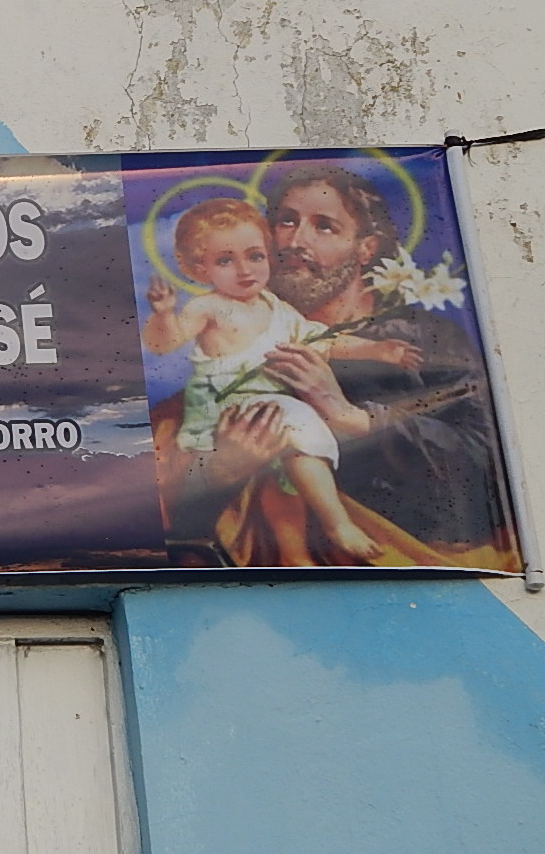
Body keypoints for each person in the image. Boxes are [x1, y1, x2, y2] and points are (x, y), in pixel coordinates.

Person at [155, 164, 515, 569]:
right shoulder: (229, 342)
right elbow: (146, 507)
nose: (294, 240)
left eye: (323, 226)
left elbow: (488, 474)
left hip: (404, 571)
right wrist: (218, 471)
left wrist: (350, 416)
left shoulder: (423, 342)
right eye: (285, 221)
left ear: (366, 247)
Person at [143, 198, 416, 564]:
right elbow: (165, 342)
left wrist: (378, 350)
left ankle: (294, 553)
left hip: (269, 408)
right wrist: (163, 315)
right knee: (299, 427)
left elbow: (325, 340)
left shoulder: (276, 308)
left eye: (255, 255)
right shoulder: (208, 307)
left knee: (282, 482)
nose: (244, 270)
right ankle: (337, 524)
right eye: (225, 260)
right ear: (198, 268)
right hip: (229, 406)